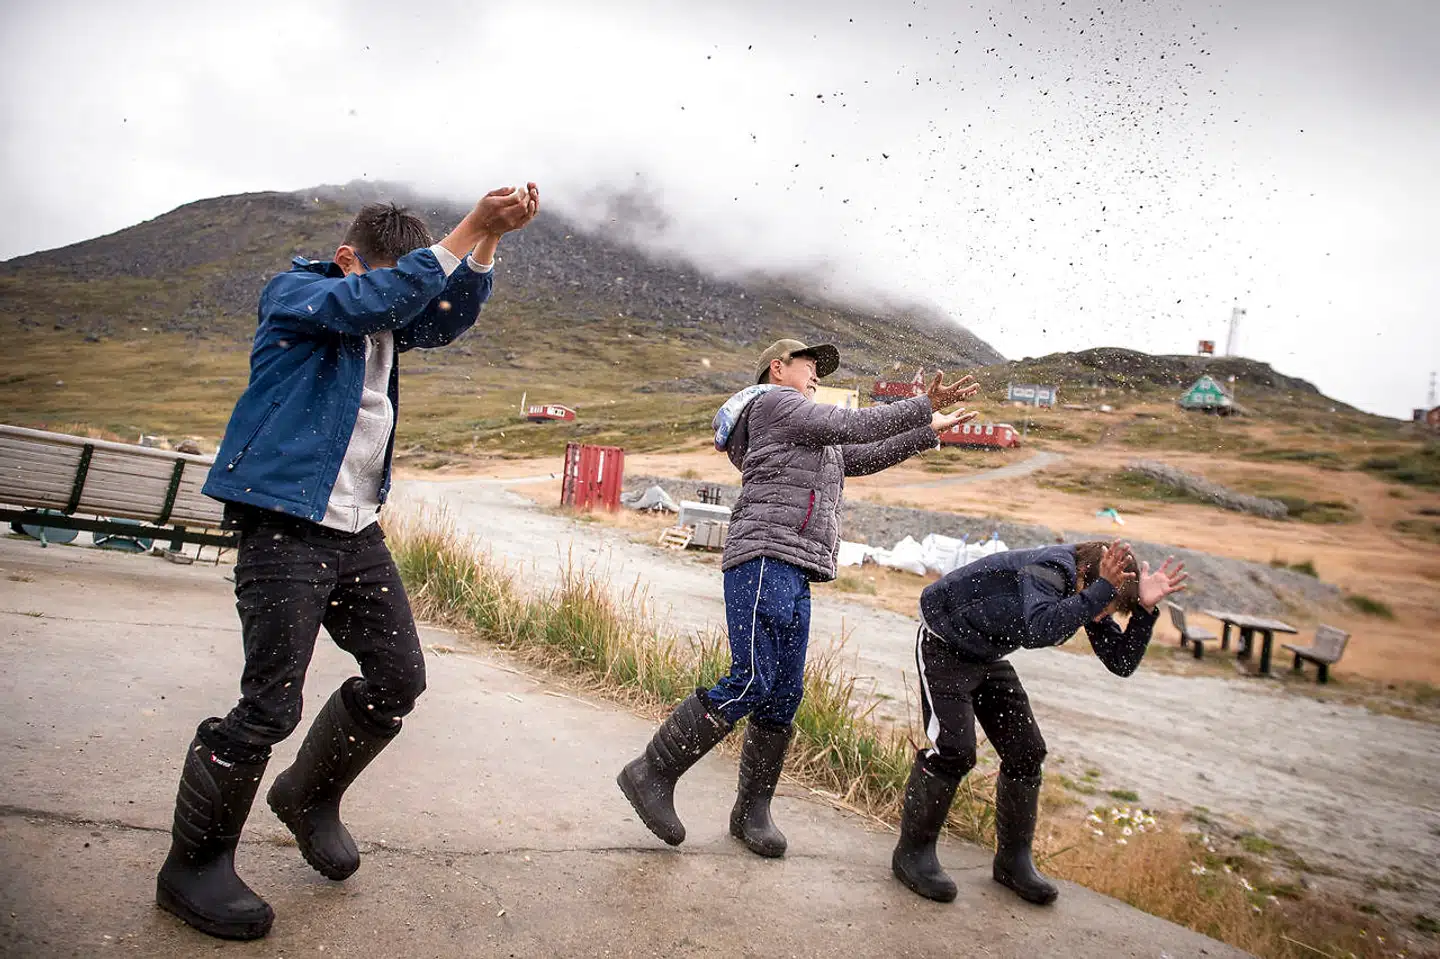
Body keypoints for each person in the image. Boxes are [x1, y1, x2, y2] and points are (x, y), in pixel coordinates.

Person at [155, 187, 539, 941]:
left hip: (356, 531)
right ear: (348, 260)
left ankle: (308, 796)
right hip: (285, 524)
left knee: (400, 676)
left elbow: (446, 315)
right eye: (393, 280)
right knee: (269, 705)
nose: (403, 298)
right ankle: (192, 866)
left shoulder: (388, 316)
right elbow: (380, 298)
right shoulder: (299, 293)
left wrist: (489, 246)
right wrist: (470, 227)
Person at [617, 339, 979, 858]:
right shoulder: (773, 404)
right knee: (750, 681)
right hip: (763, 556)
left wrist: (926, 432)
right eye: (810, 365)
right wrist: (924, 403)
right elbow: (855, 426)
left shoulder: (806, 431)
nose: (816, 374)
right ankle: (651, 772)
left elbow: (860, 454)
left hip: (794, 567)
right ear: (777, 368)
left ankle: (750, 812)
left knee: (783, 695)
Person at [890, 539, 1187, 905]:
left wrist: (1142, 610)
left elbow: (1120, 661)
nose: (1099, 616)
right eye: (1103, 605)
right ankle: (912, 854)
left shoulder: (1088, 593)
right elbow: (1041, 627)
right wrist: (1100, 594)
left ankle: (1013, 862)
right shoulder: (1051, 568)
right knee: (954, 751)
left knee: (1026, 752)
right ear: (1086, 578)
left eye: (1106, 609)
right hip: (946, 642)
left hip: (986, 651)